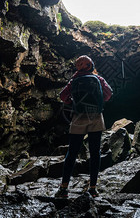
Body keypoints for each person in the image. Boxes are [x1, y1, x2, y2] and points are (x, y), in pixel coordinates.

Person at [55, 55, 113, 198]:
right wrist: (97, 101)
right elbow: (108, 94)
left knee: (72, 152)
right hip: (96, 117)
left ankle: (63, 188)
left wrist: (74, 102)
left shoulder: (74, 80)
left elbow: (63, 96)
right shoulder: (98, 79)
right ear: (91, 65)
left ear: (79, 67)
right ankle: (93, 188)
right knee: (95, 152)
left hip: (78, 116)